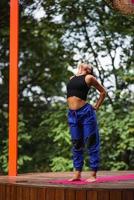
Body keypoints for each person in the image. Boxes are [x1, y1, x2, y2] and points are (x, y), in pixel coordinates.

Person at [66, 63, 107, 182]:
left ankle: (93, 174)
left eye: (88, 65)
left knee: (91, 142)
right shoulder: (72, 78)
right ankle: (77, 174)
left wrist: (96, 106)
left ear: (88, 70)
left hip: (86, 113)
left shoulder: (89, 78)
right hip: (72, 114)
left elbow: (103, 92)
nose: (85, 63)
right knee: (76, 143)